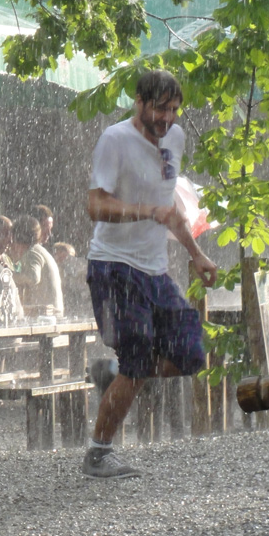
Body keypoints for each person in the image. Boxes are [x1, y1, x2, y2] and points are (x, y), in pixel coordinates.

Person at [81, 69, 217, 479]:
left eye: (174, 109)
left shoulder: (174, 139)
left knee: (191, 353)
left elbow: (169, 208)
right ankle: (98, 454)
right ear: (139, 102)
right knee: (138, 360)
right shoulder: (115, 140)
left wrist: (196, 255)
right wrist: (144, 212)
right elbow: (95, 206)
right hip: (113, 266)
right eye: (160, 108)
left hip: (154, 271)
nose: (167, 118)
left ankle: (113, 374)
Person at [10, 215, 64, 317]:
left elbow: (33, 277)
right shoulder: (38, 250)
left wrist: (9, 276)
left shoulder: (32, 252)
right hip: (50, 316)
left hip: (46, 318)